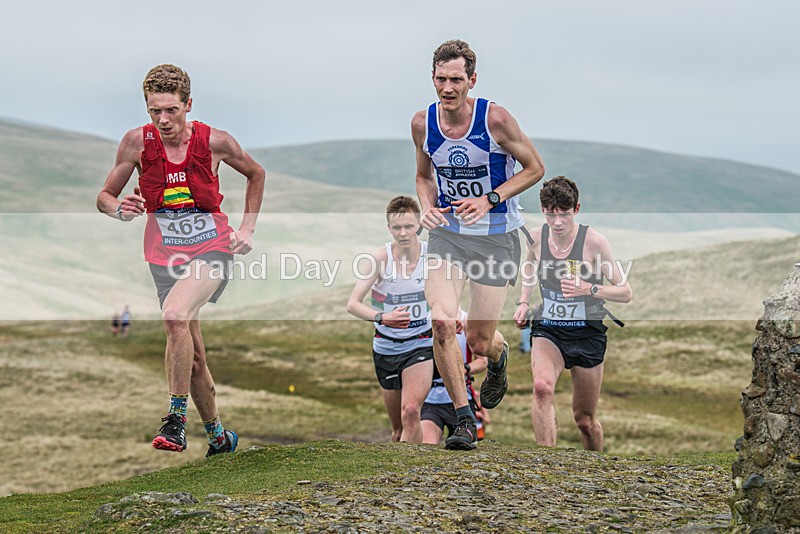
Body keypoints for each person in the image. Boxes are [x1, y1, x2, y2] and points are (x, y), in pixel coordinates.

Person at [96, 64, 265, 457]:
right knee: (193, 357)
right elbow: (104, 196)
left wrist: (247, 229)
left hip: (212, 248)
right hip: (164, 258)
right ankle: (220, 438)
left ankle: (175, 421)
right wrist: (119, 208)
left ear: (188, 105)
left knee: (174, 316)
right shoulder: (135, 143)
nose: (163, 120)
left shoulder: (216, 141)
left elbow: (256, 174)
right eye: (155, 111)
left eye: (171, 110)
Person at [412, 39, 545, 449]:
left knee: (480, 341)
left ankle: (499, 359)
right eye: (441, 79)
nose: (447, 88)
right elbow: (423, 176)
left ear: (472, 80)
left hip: (495, 237)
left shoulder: (495, 119)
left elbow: (535, 168)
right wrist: (426, 207)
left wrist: (490, 199)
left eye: (456, 79)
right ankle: (464, 419)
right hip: (448, 235)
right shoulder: (422, 123)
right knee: (441, 321)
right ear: (432, 77)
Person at [513, 176, 632, 451]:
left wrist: (589, 289)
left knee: (585, 420)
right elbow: (529, 267)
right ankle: (546, 461)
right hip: (549, 329)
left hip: (587, 334)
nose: (557, 222)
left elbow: (626, 292)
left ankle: (596, 466)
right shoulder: (536, 238)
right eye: (550, 214)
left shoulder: (594, 242)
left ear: (576, 209)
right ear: (543, 210)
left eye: (564, 214)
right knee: (542, 388)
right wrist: (523, 302)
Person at [346, 196, 434, 443]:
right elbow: (353, 304)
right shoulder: (380, 259)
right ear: (389, 228)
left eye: (408, 226)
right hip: (386, 348)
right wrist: (382, 318)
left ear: (419, 224)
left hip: (420, 344)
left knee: (411, 412)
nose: (403, 233)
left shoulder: (432, 255)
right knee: (397, 429)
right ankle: (399, 461)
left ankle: (412, 466)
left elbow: (448, 291)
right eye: (397, 228)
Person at [421, 311, 489, 445]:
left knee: (463, 447)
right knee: (427, 444)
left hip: (461, 398)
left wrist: (463, 369)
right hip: (431, 399)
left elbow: (483, 361)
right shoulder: (425, 319)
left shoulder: (466, 320)